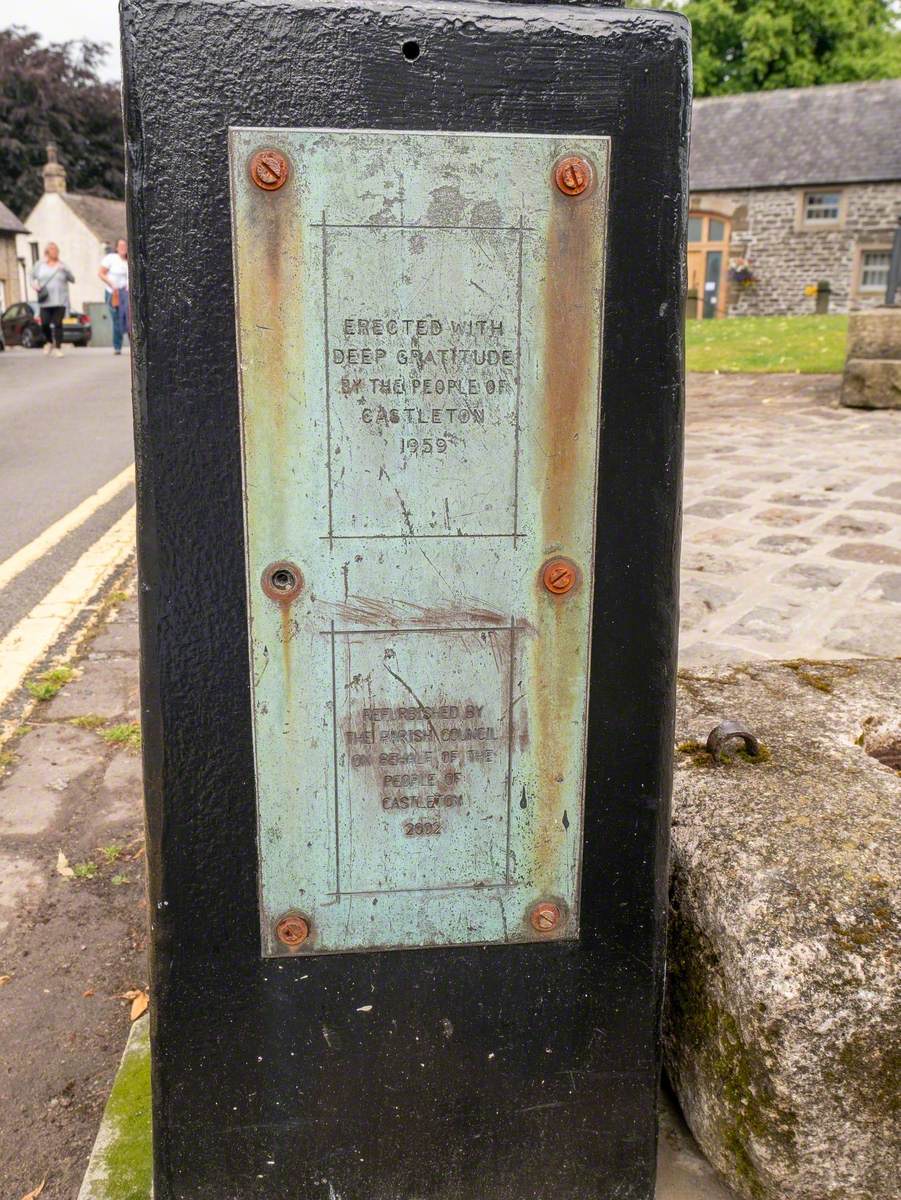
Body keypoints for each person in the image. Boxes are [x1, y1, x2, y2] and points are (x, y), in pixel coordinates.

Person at [31, 243, 75, 359]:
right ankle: (49, 341)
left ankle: (58, 348)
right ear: (47, 253)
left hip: (60, 300)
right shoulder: (39, 265)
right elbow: (32, 278)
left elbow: (72, 279)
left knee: (57, 324)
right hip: (45, 301)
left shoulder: (62, 265)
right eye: (52, 250)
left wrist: (65, 270)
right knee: (45, 323)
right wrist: (35, 285)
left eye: (56, 250)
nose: (55, 252)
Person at [99, 238, 130, 355]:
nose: (123, 248)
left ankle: (134, 346)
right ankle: (117, 346)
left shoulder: (129, 260)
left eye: (125, 246)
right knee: (117, 319)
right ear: (117, 248)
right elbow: (101, 273)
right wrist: (111, 284)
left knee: (129, 319)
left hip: (127, 293)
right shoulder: (111, 258)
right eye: (121, 246)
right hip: (113, 293)